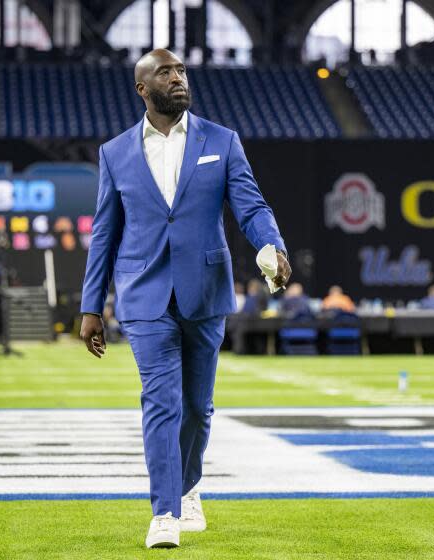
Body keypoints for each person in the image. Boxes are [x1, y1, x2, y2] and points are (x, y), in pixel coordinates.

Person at [79, 49, 290, 549]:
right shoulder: (115, 153)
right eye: (165, 72)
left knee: (198, 408)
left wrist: (272, 245)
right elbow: (104, 234)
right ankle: (164, 513)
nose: (177, 78)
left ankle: (189, 484)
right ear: (142, 88)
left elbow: (250, 204)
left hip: (206, 290)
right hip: (144, 294)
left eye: (181, 71)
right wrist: (91, 306)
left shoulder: (222, 141)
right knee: (162, 401)